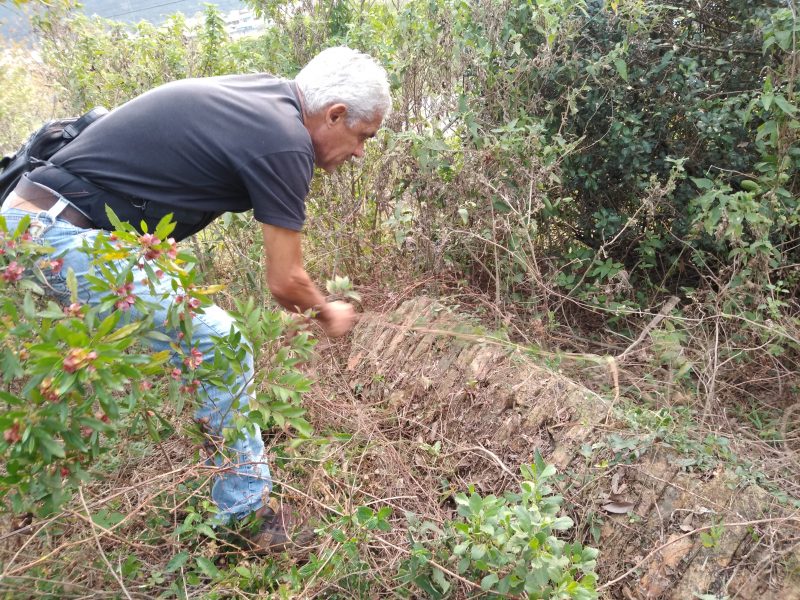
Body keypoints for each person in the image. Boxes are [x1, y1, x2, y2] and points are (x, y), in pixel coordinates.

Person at [0, 46, 391, 550]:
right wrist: (327, 310)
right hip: (51, 235)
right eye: (362, 138)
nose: (359, 153)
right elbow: (285, 281)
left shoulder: (267, 97)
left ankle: (224, 460)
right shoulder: (286, 140)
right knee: (219, 340)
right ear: (335, 114)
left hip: (34, 220)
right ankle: (244, 519)